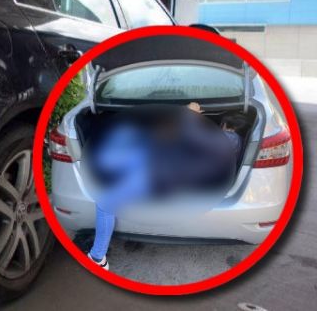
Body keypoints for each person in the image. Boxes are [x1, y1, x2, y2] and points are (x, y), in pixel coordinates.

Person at [85, 102, 242, 271]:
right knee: (108, 155)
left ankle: (97, 257)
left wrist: (190, 115)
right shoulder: (224, 142)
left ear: (227, 127)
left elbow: (194, 137)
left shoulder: (230, 140)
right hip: (153, 159)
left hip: (157, 175)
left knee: (105, 203)